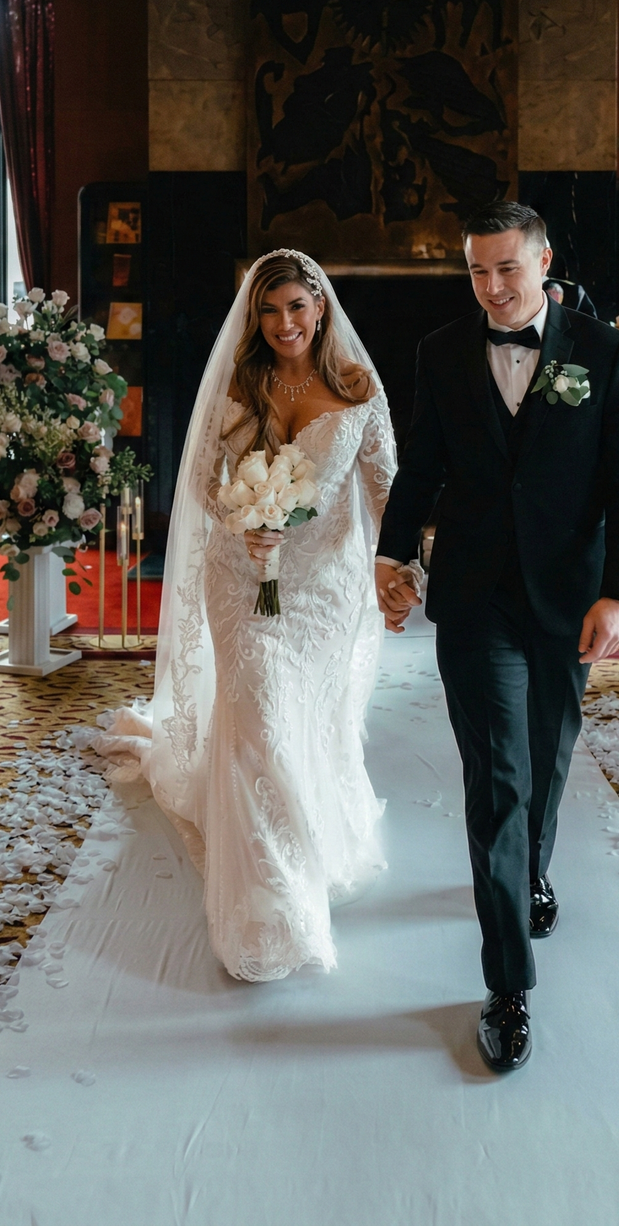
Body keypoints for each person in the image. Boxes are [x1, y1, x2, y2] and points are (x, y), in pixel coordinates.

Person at [375, 202, 619, 1073]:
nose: (492, 289)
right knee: (496, 776)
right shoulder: (439, 354)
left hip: (570, 600)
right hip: (473, 598)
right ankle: (509, 985)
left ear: (543, 263)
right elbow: (422, 465)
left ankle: (533, 868)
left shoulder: (605, 354)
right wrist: (392, 554)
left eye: (507, 269)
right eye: (477, 272)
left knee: (547, 751)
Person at [96, 251, 398, 982]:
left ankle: (314, 838)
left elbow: (384, 480)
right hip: (239, 575)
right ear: (254, 317)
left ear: (320, 307)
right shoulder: (237, 380)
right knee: (258, 716)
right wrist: (241, 522)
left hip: (323, 584)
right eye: (269, 310)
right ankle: (271, 906)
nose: (285, 323)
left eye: (297, 306)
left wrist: (386, 567)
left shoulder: (357, 386)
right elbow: (201, 475)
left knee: (307, 715)